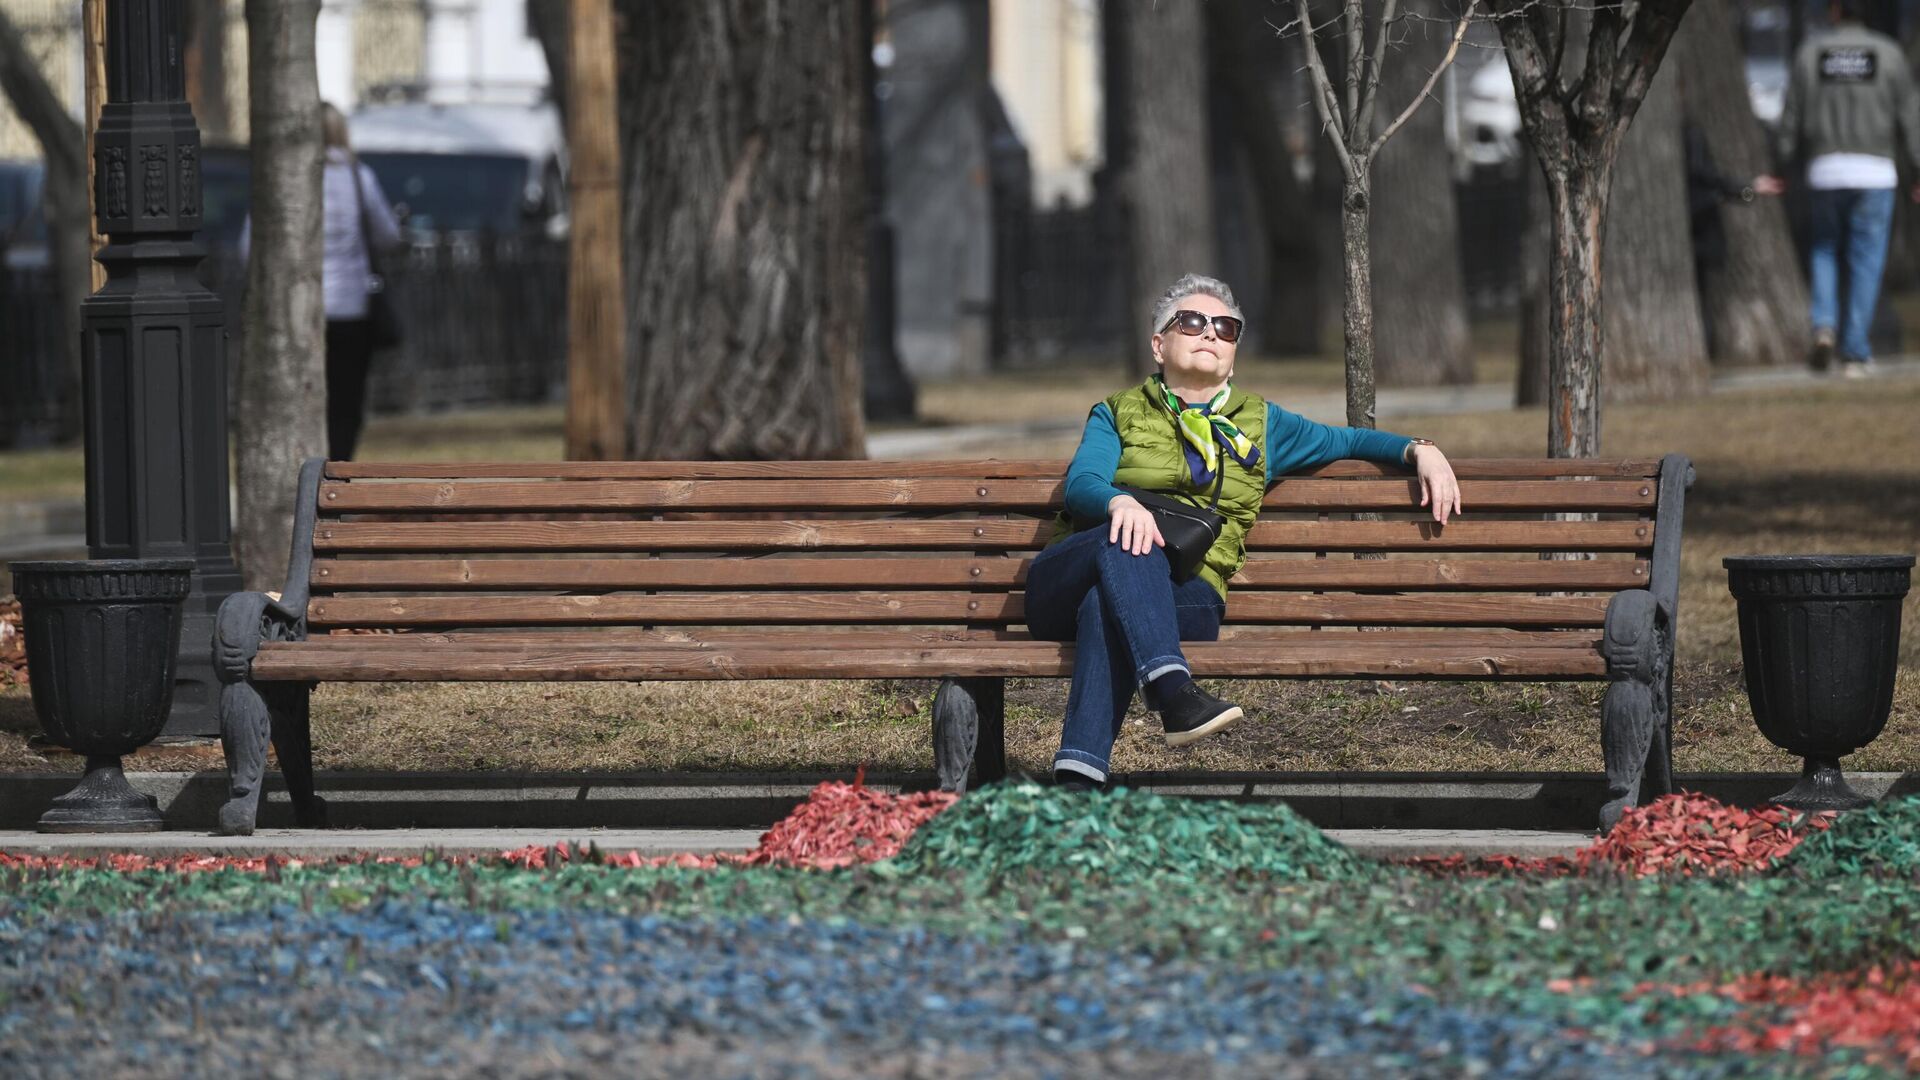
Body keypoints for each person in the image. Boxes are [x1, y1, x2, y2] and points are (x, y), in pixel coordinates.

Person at [1028, 274, 1463, 792]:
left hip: (1185, 597)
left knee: (1110, 599)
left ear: (1235, 350)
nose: (1210, 333)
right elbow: (1082, 484)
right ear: (1158, 344)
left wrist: (1421, 449)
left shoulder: (1262, 424)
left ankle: (1077, 783)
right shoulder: (1119, 411)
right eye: (1191, 322)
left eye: (1226, 328)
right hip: (1068, 578)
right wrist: (1121, 501)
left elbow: (1349, 439)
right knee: (1129, 539)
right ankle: (1173, 691)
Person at [1755, 0, 1920, 377]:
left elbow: (1791, 116)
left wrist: (1783, 164)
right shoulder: (1890, 55)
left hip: (1824, 169)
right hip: (1875, 171)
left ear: (1834, 11)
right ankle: (1856, 352)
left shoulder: (1810, 55)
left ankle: (1824, 325)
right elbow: (1910, 119)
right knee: (1866, 259)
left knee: (1824, 250)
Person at [239, 103, 403, 458]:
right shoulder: (360, 178)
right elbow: (388, 235)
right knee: (346, 400)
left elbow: (248, 246)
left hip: (298, 305)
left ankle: (308, 471)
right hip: (351, 308)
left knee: (300, 394)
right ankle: (339, 470)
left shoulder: (283, 177)